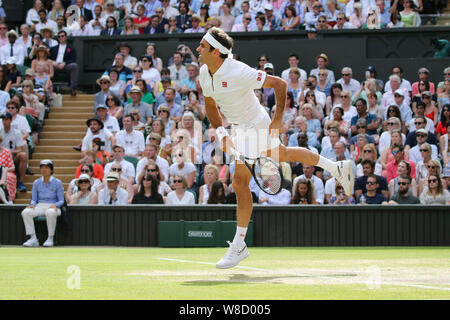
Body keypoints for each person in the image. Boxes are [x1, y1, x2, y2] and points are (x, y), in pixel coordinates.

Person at [197, 27, 353, 268]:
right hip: (240, 125)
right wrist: (221, 132)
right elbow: (209, 105)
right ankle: (337, 167)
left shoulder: (239, 71)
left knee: (239, 183)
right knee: (283, 154)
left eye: (203, 46)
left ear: (216, 52)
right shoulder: (204, 73)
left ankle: (239, 245)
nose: (198, 49)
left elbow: (279, 85)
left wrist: (278, 119)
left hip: (256, 124)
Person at [20, 159, 64, 247]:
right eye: (42, 168)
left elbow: (61, 200)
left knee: (50, 212)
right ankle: (33, 238)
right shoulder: (36, 182)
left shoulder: (57, 182)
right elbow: (34, 199)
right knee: (26, 212)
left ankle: (50, 238)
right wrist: (32, 204)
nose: (44, 170)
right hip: (40, 206)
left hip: (53, 206)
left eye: (46, 168)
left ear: (51, 170)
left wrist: (56, 205)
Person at [50, 30, 78, 96]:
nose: (60, 38)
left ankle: (73, 89)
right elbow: (48, 58)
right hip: (55, 65)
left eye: (62, 36)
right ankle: (49, 89)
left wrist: (64, 63)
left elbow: (73, 59)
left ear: (66, 37)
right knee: (49, 66)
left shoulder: (71, 48)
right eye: (59, 37)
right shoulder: (53, 48)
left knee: (74, 66)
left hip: (65, 66)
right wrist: (53, 62)